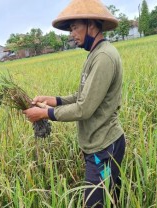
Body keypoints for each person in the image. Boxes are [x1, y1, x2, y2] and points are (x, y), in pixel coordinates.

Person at [23, 0, 126, 207]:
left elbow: (83, 108)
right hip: (100, 145)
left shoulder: (103, 57)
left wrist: (45, 114)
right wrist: (54, 100)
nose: (72, 34)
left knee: (95, 203)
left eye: (75, 27)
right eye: (70, 29)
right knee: (111, 199)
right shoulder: (95, 54)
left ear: (92, 25)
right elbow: (82, 96)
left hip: (103, 149)